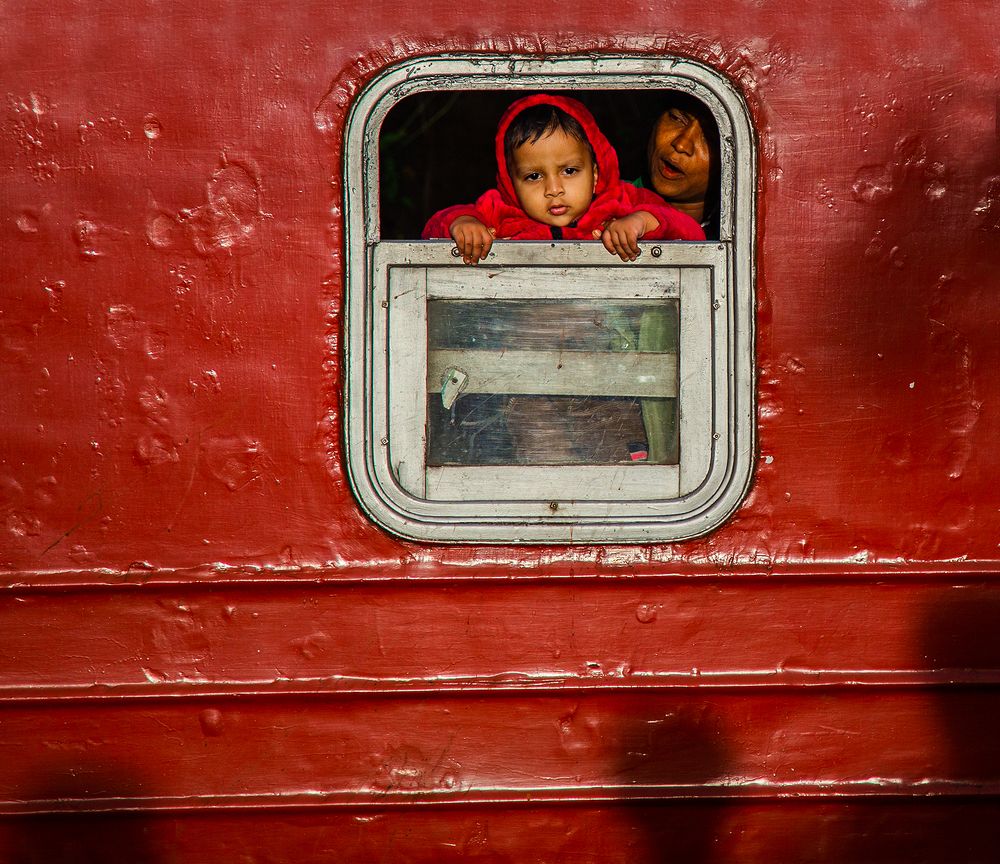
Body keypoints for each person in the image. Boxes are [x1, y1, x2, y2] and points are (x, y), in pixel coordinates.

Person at [422, 93, 705, 262]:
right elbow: (432, 229)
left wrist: (641, 222)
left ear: (595, 173)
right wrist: (464, 224)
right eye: (533, 176)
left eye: (569, 171)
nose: (553, 189)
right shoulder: (499, 211)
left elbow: (693, 235)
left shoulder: (624, 201)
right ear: (511, 182)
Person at [640, 93, 720, 240]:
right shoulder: (609, 200)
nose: (682, 144)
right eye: (676, 118)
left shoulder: (735, 233)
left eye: (709, 138)